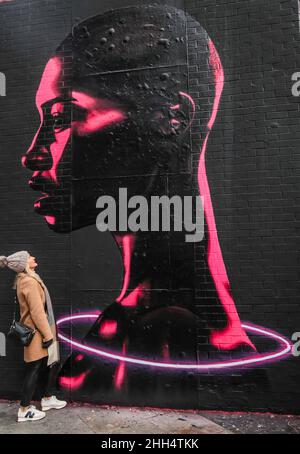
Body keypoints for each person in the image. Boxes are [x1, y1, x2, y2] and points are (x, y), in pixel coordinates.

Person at [21, 5, 256, 402]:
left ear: (170, 118)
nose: (32, 155)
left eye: (62, 117)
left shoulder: (159, 337)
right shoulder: (132, 329)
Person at [0, 251, 66, 422]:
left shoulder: (30, 279)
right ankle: (24, 409)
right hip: (38, 332)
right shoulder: (29, 281)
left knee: (53, 362)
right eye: (30, 257)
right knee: (34, 369)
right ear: (24, 264)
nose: (34, 258)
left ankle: (47, 398)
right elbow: (37, 312)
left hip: (44, 329)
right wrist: (47, 335)